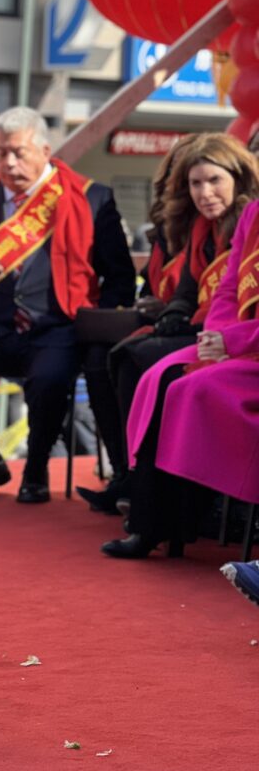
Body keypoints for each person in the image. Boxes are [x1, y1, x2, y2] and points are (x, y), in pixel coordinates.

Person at [0, 107, 135, 505]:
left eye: (19, 153)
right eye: (2, 152)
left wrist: (98, 324)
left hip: (56, 324)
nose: (9, 163)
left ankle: (37, 467)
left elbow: (121, 277)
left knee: (52, 377)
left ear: (45, 150)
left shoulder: (93, 199)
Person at [102, 136, 259, 558]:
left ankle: (173, 519)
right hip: (234, 343)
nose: (204, 192)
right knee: (155, 374)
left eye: (214, 180)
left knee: (179, 383)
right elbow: (227, 290)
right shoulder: (252, 217)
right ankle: (153, 519)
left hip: (249, 348)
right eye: (196, 182)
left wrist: (230, 340)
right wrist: (218, 337)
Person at [76, 134, 199, 515]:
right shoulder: (166, 226)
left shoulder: (216, 225)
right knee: (97, 358)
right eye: (184, 180)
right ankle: (123, 473)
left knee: (131, 358)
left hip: (198, 329)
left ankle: (151, 491)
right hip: (163, 319)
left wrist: (169, 307)